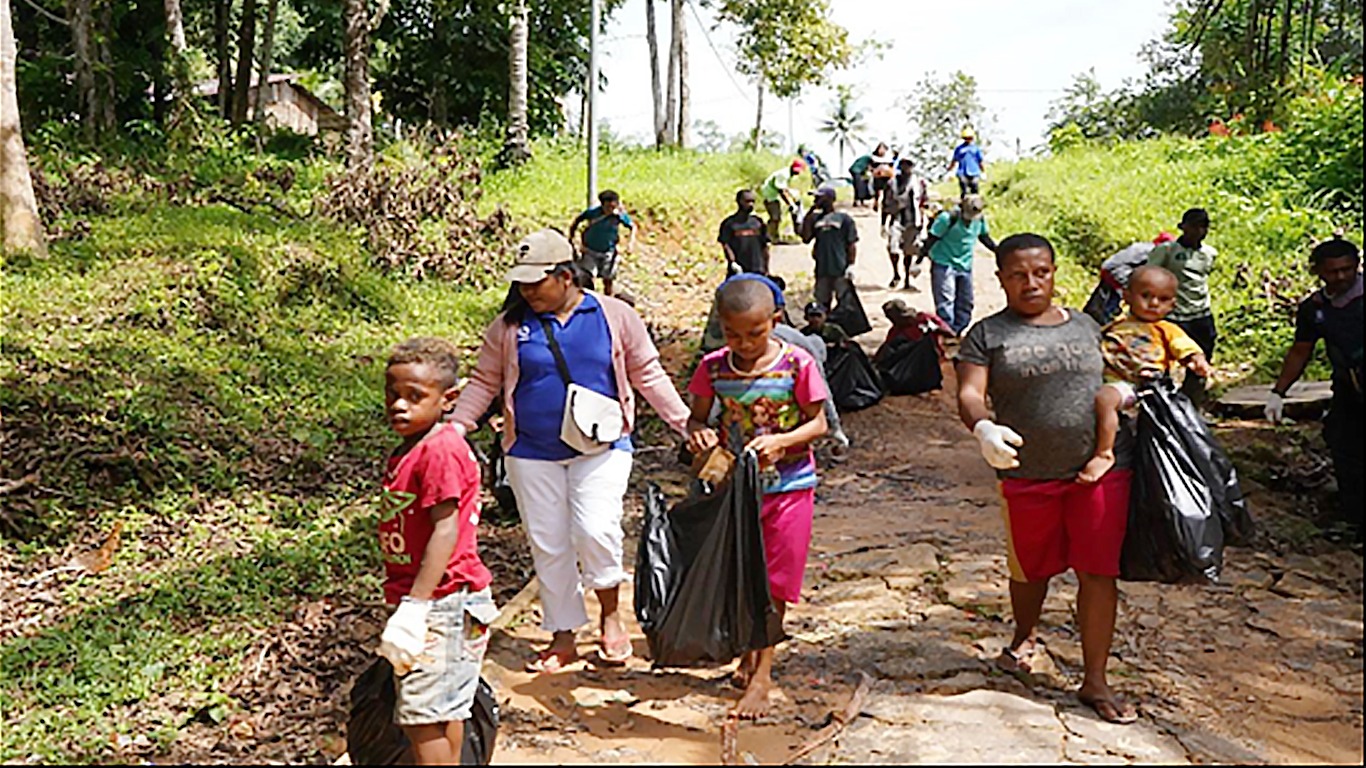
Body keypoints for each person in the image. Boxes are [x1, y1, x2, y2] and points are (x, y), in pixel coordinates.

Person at [450, 229, 690, 674]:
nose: (526, 292)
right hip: (529, 450)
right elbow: (485, 382)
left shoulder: (613, 316)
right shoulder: (509, 327)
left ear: (565, 276)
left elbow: (647, 374)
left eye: (534, 283)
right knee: (549, 542)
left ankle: (610, 616)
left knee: (596, 528)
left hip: (602, 445)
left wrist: (685, 424)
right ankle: (562, 636)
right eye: (520, 284)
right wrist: (457, 427)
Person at [956, 233, 1138, 725]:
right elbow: (970, 393)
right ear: (1001, 279)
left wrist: (1128, 393)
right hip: (1026, 474)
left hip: (1098, 471)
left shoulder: (1087, 326)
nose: (1031, 283)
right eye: (1018, 275)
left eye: (1041, 272)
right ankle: (1024, 634)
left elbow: (1125, 376)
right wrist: (983, 427)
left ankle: (1095, 679)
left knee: (1098, 571)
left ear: (1055, 273)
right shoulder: (987, 334)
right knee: (1030, 569)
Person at [686, 278, 829, 719]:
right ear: (720, 329)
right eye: (733, 334)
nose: (744, 344)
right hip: (736, 493)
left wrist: (783, 441)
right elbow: (695, 418)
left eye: (755, 333)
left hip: (789, 488)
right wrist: (700, 434)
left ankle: (763, 673)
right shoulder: (712, 368)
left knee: (775, 583)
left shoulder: (798, 365)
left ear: (776, 322)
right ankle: (750, 652)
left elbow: (819, 424)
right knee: (742, 576)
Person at [376, 337, 498, 764]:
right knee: (443, 706)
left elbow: (445, 530)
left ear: (448, 400)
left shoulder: (441, 450)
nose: (399, 405)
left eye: (415, 397)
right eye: (393, 393)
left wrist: (415, 606)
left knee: (421, 716)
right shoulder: (411, 448)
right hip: (439, 600)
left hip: (443, 602)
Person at [1266, 236, 1363, 543]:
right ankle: (1355, 520)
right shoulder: (1315, 308)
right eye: (1332, 272)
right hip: (1349, 390)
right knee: (1345, 447)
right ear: (1318, 271)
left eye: (1347, 270)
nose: (1341, 277)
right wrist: (1278, 392)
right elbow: (1300, 350)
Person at [1078, 265, 1213, 484]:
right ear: (1127, 296)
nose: (1153, 304)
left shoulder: (1165, 329)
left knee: (1105, 399)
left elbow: (1184, 347)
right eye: (1146, 296)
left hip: (1139, 387)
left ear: (1172, 304)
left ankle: (1104, 453)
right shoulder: (1115, 327)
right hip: (1113, 381)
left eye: (1163, 299)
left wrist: (1195, 360)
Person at [1145, 208, 1217, 404]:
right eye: (1193, 226)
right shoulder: (1167, 251)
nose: (1198, 231)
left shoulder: (1209, 254)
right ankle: (1160, 404)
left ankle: (1192, 405)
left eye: (1203, 227)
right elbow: (1149, 277)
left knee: (1200, 361)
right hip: (1174, 316)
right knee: (1160, 362)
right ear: (1183, 227)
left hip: (1201, 314)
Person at [919, 194, 997, 335]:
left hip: (965, 265)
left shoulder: (979, 220)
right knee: (945, 302)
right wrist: (918, 260)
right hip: (943, 263)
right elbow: (931, 239)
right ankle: (947, 331)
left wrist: (999, 251)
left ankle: (957, 330)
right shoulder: (947, 219)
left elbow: (984, 237)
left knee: (966, 302)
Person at [800, 185, 859, 311]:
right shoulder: (815, 218)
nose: (816, 200)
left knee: (844, 302)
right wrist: (809, 213)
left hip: (840, 267)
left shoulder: (844, 219)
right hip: (822, 268)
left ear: (830, 199)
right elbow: (806, 238)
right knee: (822, 302)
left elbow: (851, 243)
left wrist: (851, 265)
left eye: (819, 197)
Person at [570, 190, 635, 297]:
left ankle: (608, 301)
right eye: (608, 207)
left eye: (613, 207)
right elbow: (577, 221)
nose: (611, 210)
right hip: (590, 250)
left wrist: (630, 243)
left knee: (608, 279)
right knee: (588, 277)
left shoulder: (618, 216)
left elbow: (632, 227)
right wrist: (572, 238)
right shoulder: (592, 213)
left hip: (609, 252)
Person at [884, 157, 928, 290]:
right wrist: (883, 222)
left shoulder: (919, 183)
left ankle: (907, 280)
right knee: (893, 248)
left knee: (908, 251)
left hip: (913, 220)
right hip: (896, 219)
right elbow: (885, 203)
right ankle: (896, 274)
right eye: (903, 165)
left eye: (908, 165)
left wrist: (922, 220)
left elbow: (923, 203)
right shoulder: (892, 183)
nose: (905, 169)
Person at [874, 298, 953, 365]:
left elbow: (950, 334)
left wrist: (933, 328)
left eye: (893, 318)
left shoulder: (925, 319)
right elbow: (886, 349)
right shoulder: (895, 331)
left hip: (932, 358)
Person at [717, 189, 771, 276]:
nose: (751, 204)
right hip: (738, 271)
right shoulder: (729, 224)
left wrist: (766, 268)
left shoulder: (758, 223)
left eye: (753, 201)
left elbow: (765, 246)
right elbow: (726, 245)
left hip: (758, 269)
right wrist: (733, 262)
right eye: (747, 201)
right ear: (739, 202)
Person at [760, 160, 804, 243]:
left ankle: (773, 236)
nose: (797, 173)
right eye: (796, 170)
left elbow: (785, 189)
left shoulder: (788, 174)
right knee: (775, 217)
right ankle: (769, 237)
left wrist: (792, 196)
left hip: (773, 196)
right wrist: (791, 204)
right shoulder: (783, 174)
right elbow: (782, 191)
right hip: (770, 196)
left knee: (777, 217)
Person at [947, 127, 985, 197]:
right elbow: (954, 160)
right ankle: (963, 204)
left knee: (975, 186)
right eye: (966, 138)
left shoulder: (975, 149)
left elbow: (980, 161)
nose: (968, 139)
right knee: (964, 187)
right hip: (962, 172)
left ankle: (975, 205)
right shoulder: (959, 149)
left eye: (969, 138)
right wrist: (950, 170)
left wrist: (983, 171)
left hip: (974, 171)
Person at [869, 142, 896, 216]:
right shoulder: (873, 157)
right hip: (877, 177)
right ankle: (876, 204)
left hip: (886, 177)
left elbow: (892, 167)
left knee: (886, 192)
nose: (882, 150)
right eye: (880, 149)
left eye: (883, 149)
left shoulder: (889, 158)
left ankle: (884, 206)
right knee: (877, 192)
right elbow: (870, 167)